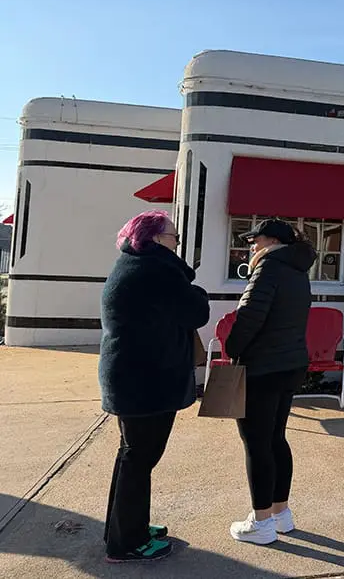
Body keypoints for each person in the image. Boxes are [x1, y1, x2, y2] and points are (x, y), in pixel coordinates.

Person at [99, 210, 210, 563]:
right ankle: (128, 542)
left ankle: (123, 529)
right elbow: (196, 312)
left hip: (131, 379)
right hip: (147, 382)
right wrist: (199, 291)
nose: (177, 242)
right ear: (158, 238)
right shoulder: (157, 270)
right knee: (139, 459)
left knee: (131, 456)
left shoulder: (131, 265)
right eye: (174, 236)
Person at [224, 218, 316, 545]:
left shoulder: (268, 268)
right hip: (290, 364)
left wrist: (232, 348)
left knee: (257, 443)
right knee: (276, 438)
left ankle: (261, 522)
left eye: (256, 240)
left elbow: (249, 317)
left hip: (262, 368)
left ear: (272, 240)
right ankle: (281, 514)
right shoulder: (297, 270)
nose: (252, 245)